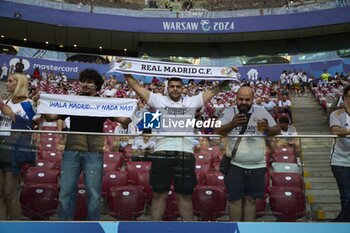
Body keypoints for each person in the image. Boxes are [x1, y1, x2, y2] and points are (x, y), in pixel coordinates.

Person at [124, 72, 235, 221]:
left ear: (183, 88)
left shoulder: (192, 101)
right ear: (167, 88)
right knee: (159, 195)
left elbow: (214, 90)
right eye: (172, 87)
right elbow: (137, 87)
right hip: (162, 153)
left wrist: (228, 77)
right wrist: (125, 71)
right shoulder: (158, 100)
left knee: (185, 196)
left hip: (185, 154)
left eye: (178, 86)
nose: (175, 89)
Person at [42, 69, 130, 220]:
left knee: (94, 195)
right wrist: (41, 105)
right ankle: (65, 227)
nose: (85, 84)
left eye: (89, 82)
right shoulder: (73, 101)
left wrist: (130, 109)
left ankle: (93, 227)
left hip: (93, 153)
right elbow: (51, 118)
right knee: (65, 193)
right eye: (83, 81)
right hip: (71, 152)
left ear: (97, 85)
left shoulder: (103, 103)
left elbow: (123, 120)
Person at [215, 86, 280, 222]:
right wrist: (232, 124)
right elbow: (218, 131)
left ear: (252, 99)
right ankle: (235, 229)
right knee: (234, 200)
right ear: (236, 98)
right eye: (241, 99)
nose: (243, 102)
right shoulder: (228, 111)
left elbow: (276, 130)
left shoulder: (261, 111)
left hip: (257, 165)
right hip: (234, 164)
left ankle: (247, 230)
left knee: (251, 200)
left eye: (247, 99)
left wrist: (267, 129)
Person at [0, 73, 36, 220]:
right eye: (7, 81)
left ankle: (17, 226)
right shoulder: (5, 101)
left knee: (10, 194)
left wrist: (12, 115)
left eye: (10, 81)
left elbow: (31, 127)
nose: (7, 83)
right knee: (1, 194)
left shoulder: (28, 104)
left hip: (16, 152)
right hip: (1, 148)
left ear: (19, 84)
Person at [329, 84, 350, 222]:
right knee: (347, 196)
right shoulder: (337, 114)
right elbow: (336, 131)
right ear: (345, 98)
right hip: (340, 161)